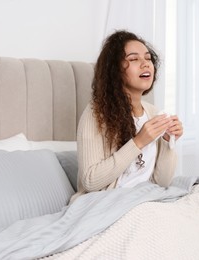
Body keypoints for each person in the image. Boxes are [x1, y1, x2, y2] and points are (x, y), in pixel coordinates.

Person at [70, 30, 183, 202]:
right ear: (115, 71)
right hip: (109, 205)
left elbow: (162, 182)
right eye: (133, 59)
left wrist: (168, 142)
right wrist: (139, 141)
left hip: (147, 200)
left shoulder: (153, 113)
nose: (145, 64)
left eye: (148, 58)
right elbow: (90, 181)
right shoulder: (96, 114)